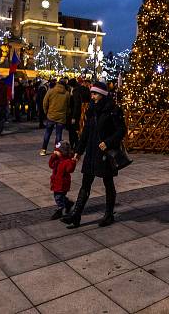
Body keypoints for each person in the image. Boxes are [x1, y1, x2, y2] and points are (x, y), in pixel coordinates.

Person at [61, 81, 125, 229]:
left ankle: (109, 215)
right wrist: (78, 151)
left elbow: (121, 131)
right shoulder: (92, 109)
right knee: (85, 184)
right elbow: (85, 133)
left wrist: (108, 142)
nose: (92, 96)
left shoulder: (113, 110)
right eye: (92, 93)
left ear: (102, 94)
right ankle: (76, 215)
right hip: (91, 152)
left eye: (94, 93)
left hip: (105, 153)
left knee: (108, 183)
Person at [49, 140, 77, 219]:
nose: (55, 152)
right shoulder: (57, 160)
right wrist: (53, 156)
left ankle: (60, 210)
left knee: (58, 197)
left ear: (62, 152)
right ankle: (68, 203)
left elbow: (70, 170)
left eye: (57, 151)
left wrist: (73, 162)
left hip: (63, 183)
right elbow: (51, 165)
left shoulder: (67, 161)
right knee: (60, 197)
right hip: (56, 182)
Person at [41, 79, 70, 156]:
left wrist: (46, 112)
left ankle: (43, 149)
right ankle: (56, 151)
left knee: (47, 133)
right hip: (61, 117)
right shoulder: (67, 94)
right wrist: (66, 114)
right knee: (59, 135)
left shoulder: (51, 91)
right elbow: (68, 106)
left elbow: (45, 102)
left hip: (51, 115)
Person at [69, 78, 91, 150]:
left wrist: (74, 117)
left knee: (75, 130)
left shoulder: (76, 91)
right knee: (85, 128)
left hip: (79, 112)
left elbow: (77, 104)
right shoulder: (86, 89)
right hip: (87, 111)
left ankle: (76, 145)